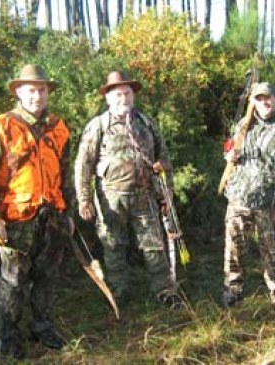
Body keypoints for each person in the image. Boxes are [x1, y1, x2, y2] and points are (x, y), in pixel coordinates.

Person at [0, 64, 73, 359]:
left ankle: (42, 328)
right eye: (31, 90)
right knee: (13, 282)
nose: (37, 96)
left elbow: (64, 174)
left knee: (47, 276)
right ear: (18, 92)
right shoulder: (0, 126)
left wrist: (68, 214)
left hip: (52, 216)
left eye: (41, 90)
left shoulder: (59, 127)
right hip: (15, 220)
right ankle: (9, 336)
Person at [74, 70, 181, 310]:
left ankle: (165, 291)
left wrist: (167, 193)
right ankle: (119, 294)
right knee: (113, 245)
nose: (124, 98)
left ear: (133, 96)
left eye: (127, 93)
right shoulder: (97, 126)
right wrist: (84, 200)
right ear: (108, 98)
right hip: (110, 199)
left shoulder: (146, 123)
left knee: (154, 245)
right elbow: (83, 164)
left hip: (145, 196)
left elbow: (164, 159)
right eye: (118, 94)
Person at [221, 82, 275, 316]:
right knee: (234, 248)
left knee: (274, 252)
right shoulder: (243, 126)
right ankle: (233, 289)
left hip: (270, 202)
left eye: (269, 98)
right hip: (239, 198)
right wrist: (229, 153)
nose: (265, 102)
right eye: (259, 98)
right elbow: (228, 151)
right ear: (253, 102)